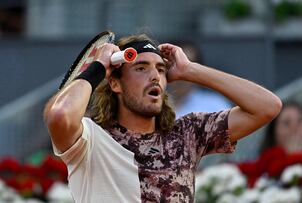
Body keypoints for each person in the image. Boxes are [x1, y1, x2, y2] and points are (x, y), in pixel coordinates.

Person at [44, 33, 282, 202]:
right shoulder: (90, 138)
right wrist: (98, 67)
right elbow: (60, 114)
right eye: (141, 68)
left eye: (160, 69)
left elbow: (267, 107)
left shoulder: (187, 133)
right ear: (115, 83)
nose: (155, 76)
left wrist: (191, 71)